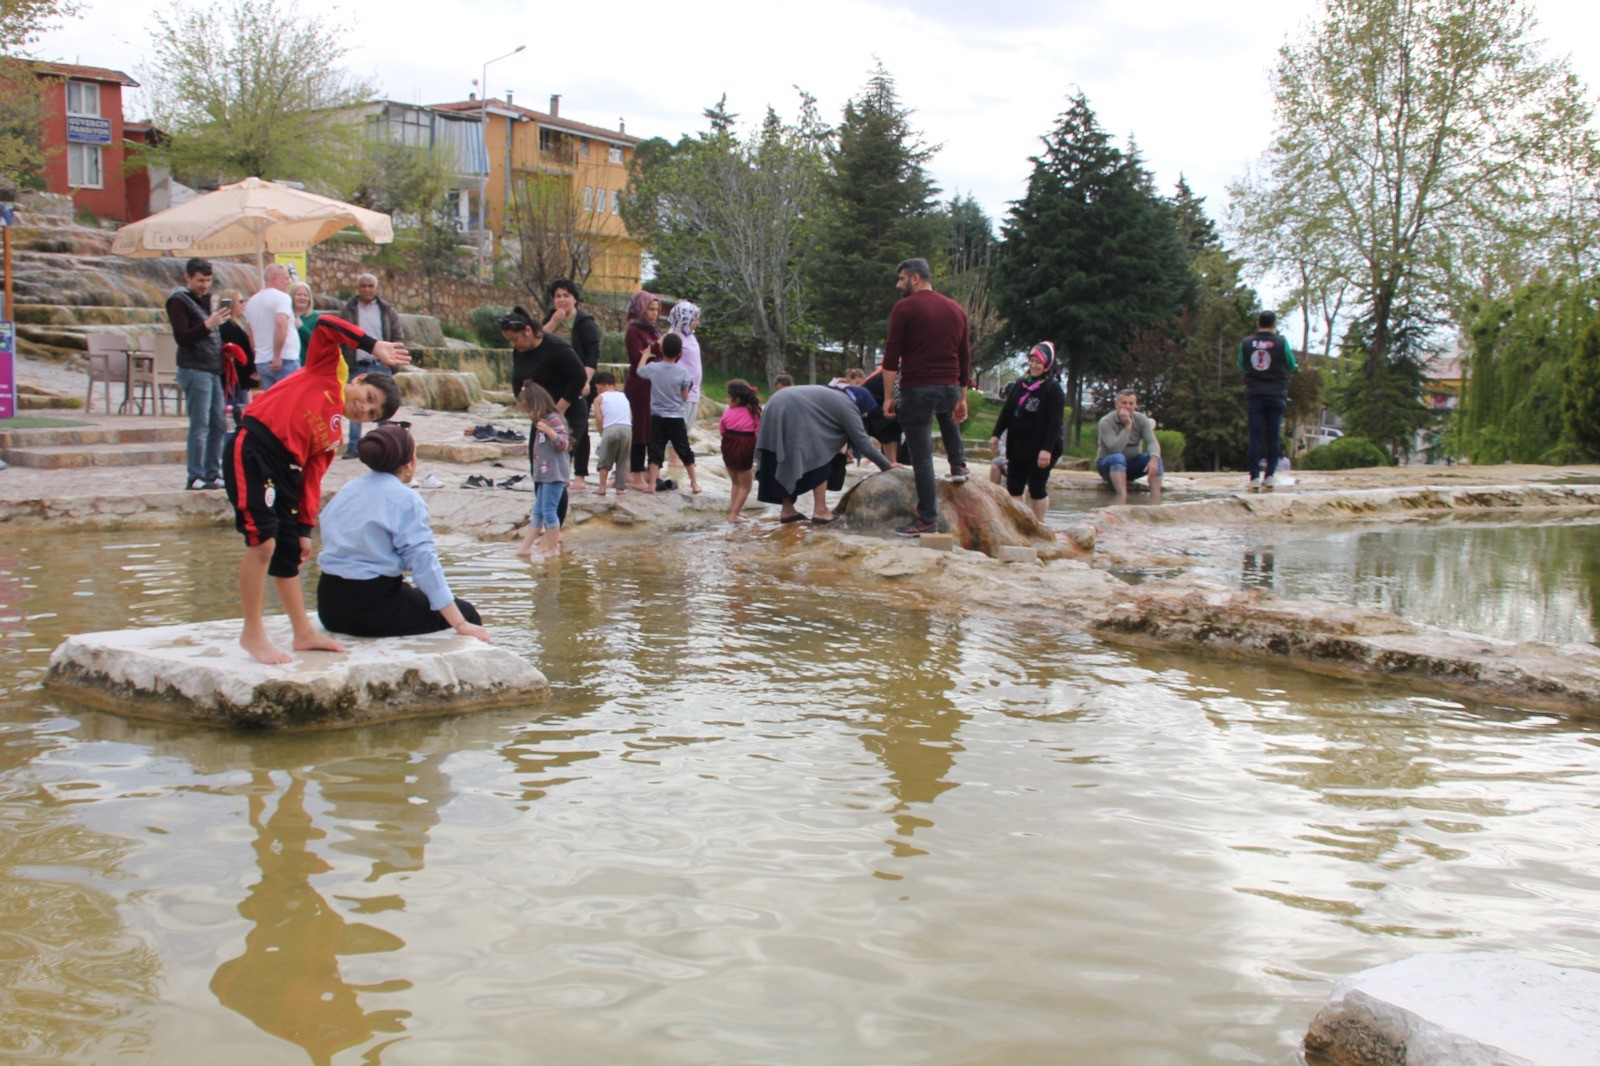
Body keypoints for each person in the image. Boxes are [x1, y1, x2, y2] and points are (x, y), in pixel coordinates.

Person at [224, 315, 409, 665]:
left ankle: (303, 632)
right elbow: (325, 324)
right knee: (262, 541)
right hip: (254, 447)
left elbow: (311, 480)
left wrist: (304, 529)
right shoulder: (327, 370)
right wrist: (373, 345)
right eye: (367, 396)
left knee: (288, 551)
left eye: (370, 412)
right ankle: (252, 633)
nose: (362, 407)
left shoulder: (333, 438)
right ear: (359, 378)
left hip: (285, 470)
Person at [315, 422, 489, 642]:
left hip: (329, 606)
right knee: (467, 612)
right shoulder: (407, 499)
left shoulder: (349, 489)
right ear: (409, 463)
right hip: (372, 609)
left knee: (413, 594)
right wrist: (460, 623)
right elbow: (424, 564)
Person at [881, 257, 972, 537]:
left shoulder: (905, 308)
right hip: (949, 387)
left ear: (915, 278)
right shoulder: (956, 309)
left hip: (917, 388)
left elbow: (891, 358)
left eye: (901, 279)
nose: (899, 285)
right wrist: (962, 397)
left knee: (921, 458)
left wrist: (888, 397)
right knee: (946, 413)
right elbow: (965, 357)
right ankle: (958, 464)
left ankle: (927, 520)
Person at [755, 384, 893, 524]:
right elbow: (863, 443)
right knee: (822, 455)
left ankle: (787, 510)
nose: (864, 415)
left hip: (775, 403)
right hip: (793, 407)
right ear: (861, 403)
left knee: (784, 457)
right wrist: (888, 467)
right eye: (864, 412)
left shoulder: (832, 394)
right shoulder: (847, 403)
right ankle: (820, 511)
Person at [503, 306, 585, 524]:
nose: (514, 345)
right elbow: (516, 380)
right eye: (510, 341)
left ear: (528, 330)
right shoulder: (520, 352)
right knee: (539, 470)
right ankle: (545, 524)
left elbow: (578, 377)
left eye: (515, 339)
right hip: (540, 417)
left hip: (567, 413)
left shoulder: (556, 347)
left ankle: (554, 529)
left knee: (555, 472)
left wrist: (557, 411)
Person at [164, 257, 232, 490]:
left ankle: (212, 472)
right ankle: (195, 475)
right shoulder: (178, 301)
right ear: (188, 277)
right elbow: (182, 337)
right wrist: (208, 324)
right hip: (194, 369)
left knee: (218, 424)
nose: (204, 285)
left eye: (208, 280)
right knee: (200, 424)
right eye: (200, 280)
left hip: (212, 368)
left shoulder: (203, 300)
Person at [988, 342, 1065, 521]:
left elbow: (1055, 424)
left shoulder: (1053, 389)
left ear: (1047, 364)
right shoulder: (1021, 383)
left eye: (1039, 362)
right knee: (1014, 486)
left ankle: (1039, 525)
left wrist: (1046, 449)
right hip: (1018, 445)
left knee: (1037, 486)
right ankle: (1020, 523)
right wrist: (996, 434)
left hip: (1042, 447)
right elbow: (1007, 411)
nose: (1034, 365)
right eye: (1031, 360)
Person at [542, 278, 600, 491]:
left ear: (575, 298)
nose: (562, 300)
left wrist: (584, 380)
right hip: (553, 382)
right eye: (558, 296)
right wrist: (554, 322)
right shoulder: (551, 318)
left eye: (566, 295)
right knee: (553, 424)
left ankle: (580, 475)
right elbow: (537, 340)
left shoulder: (585, 323)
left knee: (579, 428)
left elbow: (592, 355)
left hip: (579, 381)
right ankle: (557, 469)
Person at [339, 274, 405, 458]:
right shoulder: (348, 310)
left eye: (370, 286)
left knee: (381, 407)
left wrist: (392, 359)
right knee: (355, 404)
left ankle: (384, 445)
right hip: (356, 364)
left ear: (376, 288)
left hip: (380, 365)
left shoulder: (387, 310)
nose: (367, 289)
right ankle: (354, 447)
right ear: (357, 287)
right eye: (363, 285)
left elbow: (397, 336)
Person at [1239, 310, 1298, 491]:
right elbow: (1291, 364)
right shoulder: (1281, 342)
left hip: (1255, 394)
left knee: (1255, 436)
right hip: (1276, 394)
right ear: (1274, 325)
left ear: (1258, 324)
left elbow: (1241, 365)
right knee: (1273, 436)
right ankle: (1270, 475)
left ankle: (1254, 476)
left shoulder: (1247, 343)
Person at [636, 333, 701, 495]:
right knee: (684, 449)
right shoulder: (684, 373)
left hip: (657, 417)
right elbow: (685, 397)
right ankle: (694, 484)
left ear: (661, 349)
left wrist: (644, 356)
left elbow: (639, 371)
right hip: (676, 417)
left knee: (655, 451)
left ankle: (651, 485)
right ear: (680, 353)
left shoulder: (654, 368)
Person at [516, 383, 570, 559]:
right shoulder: (540, 422)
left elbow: (563, 444)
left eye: (529, 410)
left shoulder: (554, 419)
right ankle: (525, 548)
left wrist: (549, 431)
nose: (529, 414)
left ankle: (553, 549)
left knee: (548, 511)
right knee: (538, 512)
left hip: (554, 474)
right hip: (544, 475)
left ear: (537, 404)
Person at [623, 291, 662, 490]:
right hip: (639, 387)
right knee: (639, 429)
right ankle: (636, 473)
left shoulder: (655, 330)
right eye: (650, 309)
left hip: (655, 387)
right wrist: (657, 348)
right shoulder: (634, 331)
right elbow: (637, 359)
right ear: (641, 309)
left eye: (656, 309)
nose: (654, 313)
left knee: (652, 430)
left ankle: (651, 471)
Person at [1096, 388, 1163, 502]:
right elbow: (1115, 448)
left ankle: (1156, 499)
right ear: (1117, 405)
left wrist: (1154, 457)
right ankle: (1122, 498)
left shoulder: (1141, 420)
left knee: (1155, 458)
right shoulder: (1106, 422)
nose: (1127, 406)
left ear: (1135, 405)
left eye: (1131, 403)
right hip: (1108, 465)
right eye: (1124, 403)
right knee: (1118, 457)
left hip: (1131, 465)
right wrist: (1127, 427)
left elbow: (1152, 441)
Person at [244, 263, 301, 390]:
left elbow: (251, 335)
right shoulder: (282, 298)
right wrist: (277, 355)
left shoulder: (251, 302)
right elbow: (281, 324)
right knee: (290, 403)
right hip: (284, 359)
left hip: (262, 360)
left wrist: (258, 356)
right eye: (286, 278)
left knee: (272, 404)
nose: (289, 282)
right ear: (274, 279)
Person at [721, 379, 761, 522]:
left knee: (735, 483)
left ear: (736, 399)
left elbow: (722, 430)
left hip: (728, 448)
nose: (727, 399)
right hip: (744, 449)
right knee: (746, 486)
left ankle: (735, 511)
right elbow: (757, 433)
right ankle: (734, 514)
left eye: (728, 397)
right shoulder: (753, 413)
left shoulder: (727, 413)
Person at [217, 288, 258, 418]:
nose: (244, 304)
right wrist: (251, 372)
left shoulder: (237, 325)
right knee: (236, 414)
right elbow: (237, 355)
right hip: (235, 381)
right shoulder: (228, 328)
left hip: (240, 380)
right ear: (232, 304)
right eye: (240, 301)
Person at [591, 371, 631, 497]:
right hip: (627, 429)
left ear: (599, 386)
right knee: (623, 460)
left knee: (605, 459)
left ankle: (602, 488)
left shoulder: (599, 399)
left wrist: (602, 433)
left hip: (610, 429)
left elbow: (599, 419)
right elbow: (630, 416)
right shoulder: (624, 396)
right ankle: (620, 489)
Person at [667, 298, 703, 430]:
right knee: (677, 432)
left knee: (686, 431)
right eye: (695, 319)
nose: (697, 323)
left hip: (694, 391)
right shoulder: (674, 336)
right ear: (685, 318)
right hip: (681, 392)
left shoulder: (690, 335)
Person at [861, 366, 900, 464]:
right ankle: (890, 462)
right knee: (890, 422)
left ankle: (889, 460)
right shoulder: (901, 369)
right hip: (873, 398)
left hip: (882, 396)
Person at [291, 282, 323, 354]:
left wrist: (301, 327)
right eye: (299, 295)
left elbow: (318, 343)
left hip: (308, 362)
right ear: (292, 297)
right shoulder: (287, 316)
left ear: (309, 299)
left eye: (305, 295)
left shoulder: (316, 317)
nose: (302, 297)